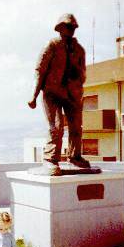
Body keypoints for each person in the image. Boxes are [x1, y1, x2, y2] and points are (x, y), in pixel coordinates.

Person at [28, 13, 91, 176]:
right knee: (56, 127)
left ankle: (75, 157)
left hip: (72, 94)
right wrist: (34, 95)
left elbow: (83, 74)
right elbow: (39, 71)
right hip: (52, 93)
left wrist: (76, 87)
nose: (71, 29)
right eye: (67, 26)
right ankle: (50, 159)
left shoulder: (79, 50)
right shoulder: (52, 45)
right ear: (60, 28)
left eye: (73, 27)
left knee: (76, 126)